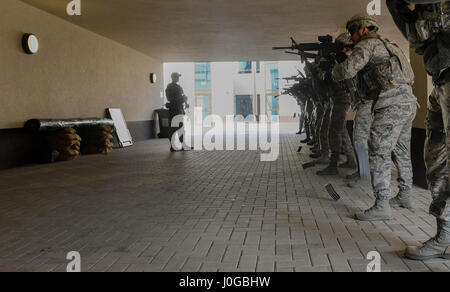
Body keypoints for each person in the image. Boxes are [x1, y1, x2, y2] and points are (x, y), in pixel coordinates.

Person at [332, 14, 417, 221]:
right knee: (402, 151)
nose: (351, 37)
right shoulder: (390, 46)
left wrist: (335, 67)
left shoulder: (367, 44)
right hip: (408, 101)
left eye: (352, 32)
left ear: (362, 30)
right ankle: (405, 195)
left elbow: (345, 72)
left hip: (391, 103)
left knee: (379, 151)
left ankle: (382, 205)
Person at [387, 0, 450, 260]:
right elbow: (420, 44)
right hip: (441, 82)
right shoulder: (428, 12)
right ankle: (445, 238)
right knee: (437, 161)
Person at [317, 32, 357, 176]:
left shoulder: (344, 59)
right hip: (338, 98)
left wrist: (332, 60)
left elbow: (345, 75)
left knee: (333, 131)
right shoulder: (338, 59)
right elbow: (325, 79)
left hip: (342, 98)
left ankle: (333, 165)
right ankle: (351, 160)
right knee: (341, 130)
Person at [165, 72, 189, 152]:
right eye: (177, 77)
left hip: (179, 109)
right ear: (173, 77)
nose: (178, 78)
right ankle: (172, 146)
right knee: (173, 129)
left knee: (181, 128)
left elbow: (183, 96)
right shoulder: (170, 87)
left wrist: (185, 101)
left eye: (178, 77)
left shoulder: (179, 87)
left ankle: (183, 145)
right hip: (174, 110)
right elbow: (169, 98)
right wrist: (180, 98)